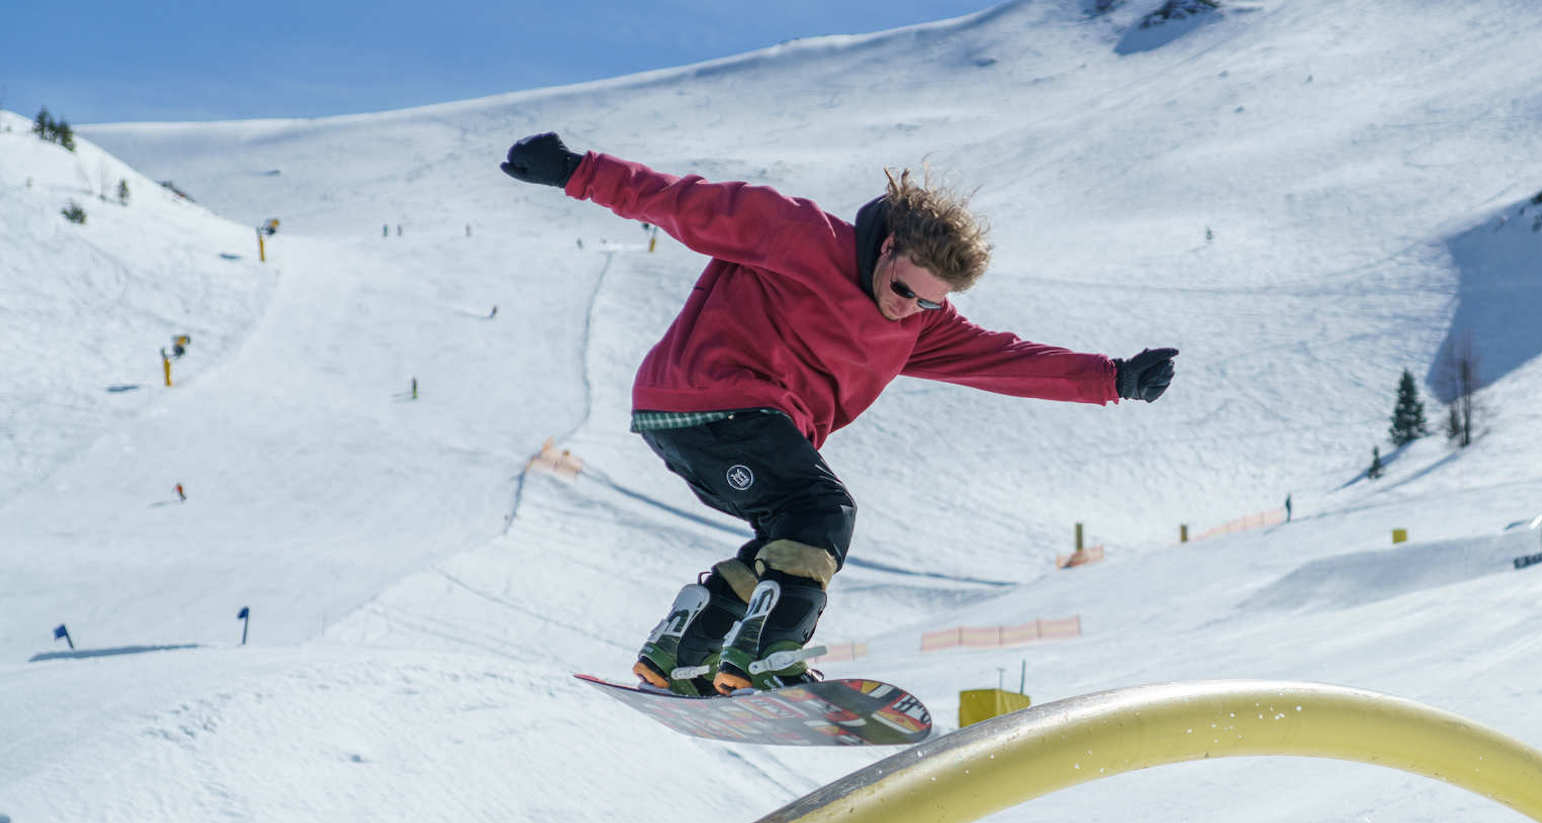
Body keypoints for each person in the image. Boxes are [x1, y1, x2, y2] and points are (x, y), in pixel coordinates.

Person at [501, 132, 1179, 695]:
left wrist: (1113, 377)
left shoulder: (920, 326)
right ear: (886, 248)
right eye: (906, 289)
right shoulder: (793, 232)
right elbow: (679, 204)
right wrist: (575, 171)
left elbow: (1007, 359)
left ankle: (683, 647)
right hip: (716, 398)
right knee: (826, 513)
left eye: (929, 304)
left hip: (699, 425)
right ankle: (766, 660)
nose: (908, 309)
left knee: (787, 539)